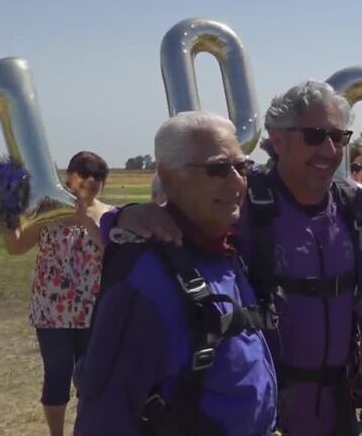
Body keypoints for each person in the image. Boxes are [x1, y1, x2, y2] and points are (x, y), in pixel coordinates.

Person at [105, 81, 362, 436]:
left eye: (338, 137)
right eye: (315, 136)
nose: (329, 150)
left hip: (340, 409)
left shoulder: (353, 203)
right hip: (271, 414)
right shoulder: (241, 199)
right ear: (277, 140)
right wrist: (124, 216)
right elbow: (177, 217)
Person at [73, 111, 278, 435]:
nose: (237, 181)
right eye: (217, 169)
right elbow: (104, 417)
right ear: (169, 176)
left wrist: (119, 216)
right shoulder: (146, 278)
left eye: (242, 168)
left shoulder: (227, 250)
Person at [1, 151, 112, 436]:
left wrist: (85, 218)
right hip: (51, 313)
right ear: (68, 176)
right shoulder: (47, 212)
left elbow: (113, 253)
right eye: (84, 173)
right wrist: (5, 210)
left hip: (94, 311)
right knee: (57, 375)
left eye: (98, 175)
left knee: (92, 377)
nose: (91, 180)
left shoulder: (109, 216)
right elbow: (15, 247)